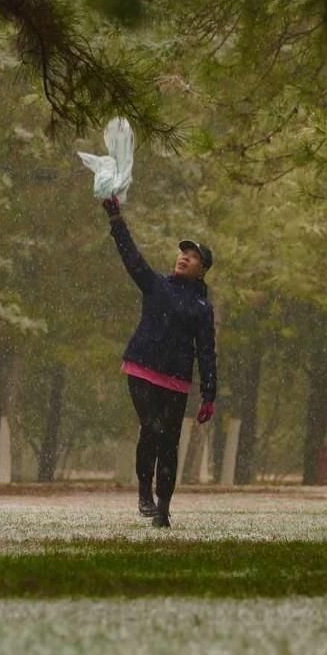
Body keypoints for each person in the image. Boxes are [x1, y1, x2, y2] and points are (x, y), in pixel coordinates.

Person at [103, 195, 217, 528]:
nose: (185, 257)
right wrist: (116, 219)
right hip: (141, 369)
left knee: (170, 442)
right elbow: (130, 256)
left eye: (194, 256)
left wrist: (209, 394)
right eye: (184, 252)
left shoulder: (202, 309)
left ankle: (163, 509)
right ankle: (144, 492)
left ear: (203, 270)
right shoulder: (155, 285)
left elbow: (207, 351)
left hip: (176, 380)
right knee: (151, 427)